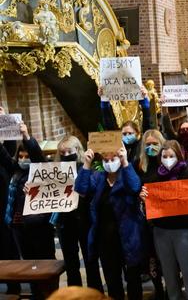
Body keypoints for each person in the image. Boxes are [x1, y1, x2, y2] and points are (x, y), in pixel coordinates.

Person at [75, 146, 145, 300]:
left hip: (128, 237)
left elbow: (135, 187)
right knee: (112, 281)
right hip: (105, 240)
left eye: (113, 159)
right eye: (106, 160)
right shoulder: (98, 177)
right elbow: (81, 188)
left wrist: (125, 161)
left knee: (133, 279)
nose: (109, 163)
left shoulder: (126, 174)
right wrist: (86, 164)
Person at [140, 140, 188, 300]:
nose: (168, 159)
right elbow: (148, 204)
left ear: (178, 156)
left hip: (185, 232)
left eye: (171, 156)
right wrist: (143, 197)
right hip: (162, 232)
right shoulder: (153, 178)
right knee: (168, 272)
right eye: (164, 156)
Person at [2, 123, 56, 298]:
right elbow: (3, 156)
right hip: (19, 226)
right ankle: (35, 293)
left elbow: (38, 156)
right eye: (21, 156)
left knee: (45, 262)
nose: (23, 159)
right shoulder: (16, 172)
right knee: (29, 264)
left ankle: (49, 294)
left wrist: (26, 136)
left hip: (39, 226)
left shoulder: (41, 171)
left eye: (27, 156)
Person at [54, 135, 103, 291]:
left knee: (90, 260)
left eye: (70, 151)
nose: (66, 155)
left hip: (85, 220)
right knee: (71, 263)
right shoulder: (55, 171)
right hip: (65, 221)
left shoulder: (87, 167)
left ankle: (94, 292)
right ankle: (74, 294)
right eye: (62, 153)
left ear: (78, 150)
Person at [134, 129, 166, 299]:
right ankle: (158, 288)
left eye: (155, 144)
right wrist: (139, 192)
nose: (151, 147)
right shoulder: (139, 165)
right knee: (152, 256)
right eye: (148, 144)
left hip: (167, 218)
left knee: (167, 257)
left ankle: (172, 286)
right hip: (148, 219)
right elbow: (133, 186)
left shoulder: (168, 162)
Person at [98, 86, 152, 164]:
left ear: (137, 133)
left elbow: (147, 122)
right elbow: (108, 123)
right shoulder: (118, 145)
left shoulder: (142, 145)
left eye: (130, 133)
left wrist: (144, 102)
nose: (127, 136)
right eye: (124, 134)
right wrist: (104, 100)